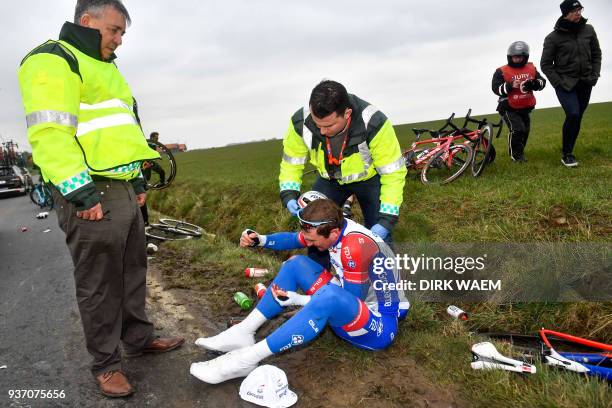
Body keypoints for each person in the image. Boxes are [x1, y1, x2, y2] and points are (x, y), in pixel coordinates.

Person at [18, 0, 184, 398]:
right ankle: (106, 365)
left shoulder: (107, 66)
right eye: (114, 30)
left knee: (131, 271)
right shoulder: (54, 59)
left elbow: (122, 132)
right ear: (86, 21)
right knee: (99, 283)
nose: (119, 40)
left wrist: (139, 179)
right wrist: (78, 190)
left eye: (123, 33)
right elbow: (50, 135)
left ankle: (138, 339)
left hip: (123, 187)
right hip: (90, 189)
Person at [190, 198, 410, 384]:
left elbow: (349, 300)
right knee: (295, 264)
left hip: (380, 324)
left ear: (333, 233)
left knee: (329, 297)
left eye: (314, 241)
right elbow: (295, 239)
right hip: (350, 299)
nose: (311, 245)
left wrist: (298, 299)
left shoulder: (355, 246)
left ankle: (246, 359)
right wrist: (261, 240)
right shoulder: (335, 226)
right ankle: (244, 332)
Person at [278, 80, 406, 243]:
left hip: (369, 181)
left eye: (329, 125)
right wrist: (289, 193)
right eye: (318, 125)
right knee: (316, 229)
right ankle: (319, 268)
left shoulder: (374, 123)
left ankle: (384, 266)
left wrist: (387, 220)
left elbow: (393, 173)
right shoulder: (300, 122)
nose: (322, 131)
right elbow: (292, 162)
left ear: (347, 113)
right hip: (329, 181)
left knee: (380, 238)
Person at [540, 0, 601, 167]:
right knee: (573, 113)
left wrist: (594, 75)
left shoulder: (589, 30)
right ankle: (567, 154)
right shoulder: (552, 38)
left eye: (580, 9)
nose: (579, 13)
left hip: (586, 81)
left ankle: (569, 148)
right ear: (566, 13)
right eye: (575, 10)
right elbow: (545, 64)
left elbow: (596, 54)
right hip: (565, 84)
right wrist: (558, 83)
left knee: (577, 117)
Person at [492, 41, 546, 162]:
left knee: (525, 130)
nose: (517, 59)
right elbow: (496, 89)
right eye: (514, 57)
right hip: (507, 107)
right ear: (510, 56)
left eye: (519, 57)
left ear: (525, 56)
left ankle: (519, 151)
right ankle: (516, 156)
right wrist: (510, 85)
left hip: (525, 107)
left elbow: (542, 82)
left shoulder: (531, 68)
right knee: (517, 129)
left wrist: (534, 84)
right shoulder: (501, 71)